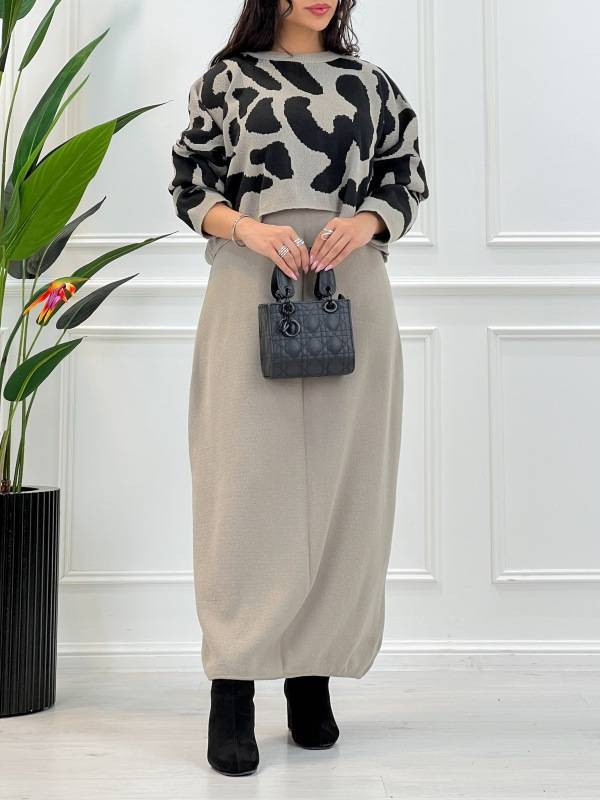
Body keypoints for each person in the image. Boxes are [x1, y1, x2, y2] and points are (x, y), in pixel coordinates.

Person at [168, 0, 429, 777]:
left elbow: (405, 177)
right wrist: (249, 229)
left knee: (347, 490)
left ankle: (312, 677)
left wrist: (368, 223)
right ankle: (233, 687)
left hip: (352, 287)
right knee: (243, 488)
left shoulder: (371, 84)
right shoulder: (227, 81)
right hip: (252, 281)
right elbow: (189, 184)